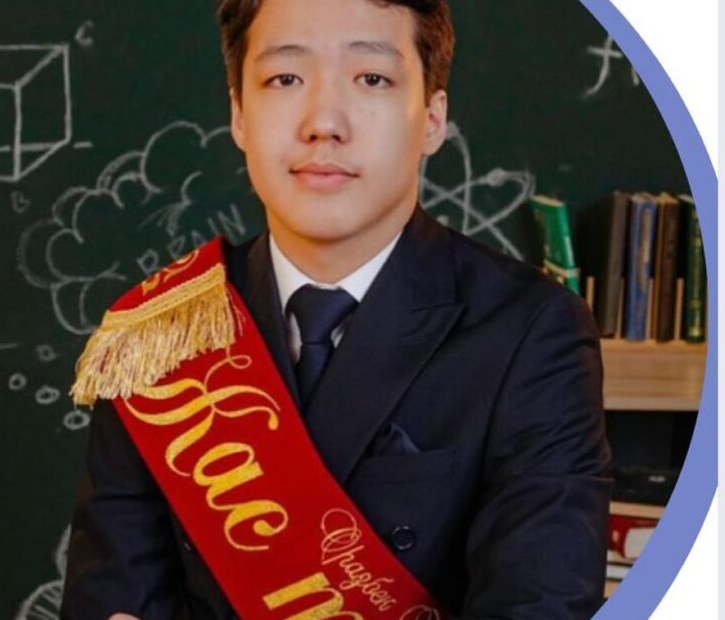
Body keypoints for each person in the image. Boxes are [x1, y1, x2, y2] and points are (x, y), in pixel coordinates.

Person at [61, 0, 612, 618]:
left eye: (371, 78)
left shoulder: (531, 333)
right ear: (239, 114)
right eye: (285, 79)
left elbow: (539, 602)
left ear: (432, 119)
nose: (323, 123)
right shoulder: (161, 334)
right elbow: (113, 600)